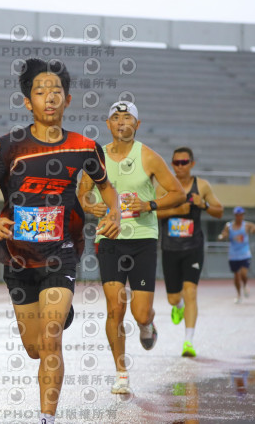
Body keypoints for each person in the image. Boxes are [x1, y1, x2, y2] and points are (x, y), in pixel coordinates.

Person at [0, 58, 121, 424]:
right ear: (28, 102)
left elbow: (107, 187)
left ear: (67, 100)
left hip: (60, 254)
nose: (49, 98)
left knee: (51, 336)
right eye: (40, 92)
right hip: (18, 259)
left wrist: (114, 212)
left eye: (56, 91)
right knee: (35, 348)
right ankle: (59, 314)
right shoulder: (9, 146)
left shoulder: (84, 147)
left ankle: (46, 418)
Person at [77, 101, 185, 394]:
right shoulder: (96, 157)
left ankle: (148, 325)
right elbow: (83, 193)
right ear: (108, 124)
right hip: (109, 238)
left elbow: (178, 194)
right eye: (116, 117)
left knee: (140, 313)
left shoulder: (148, 156)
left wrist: (149, 204)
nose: (121, 122)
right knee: (115, 308)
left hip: (142, 240)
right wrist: (91, 205)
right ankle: (121, 372)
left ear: (137, 124)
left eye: (127, 117)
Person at [156, 147, 223, 357]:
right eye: (176, 163)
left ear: (192, 164)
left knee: (191, 292)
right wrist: (177, 210)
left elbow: (219, 211)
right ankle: (178, 306)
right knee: (173, 298)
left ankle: (188, 342)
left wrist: (203, 204)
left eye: (184, 162)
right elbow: (153, 212)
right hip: (170, 248)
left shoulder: (202, 186)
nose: (180, 166)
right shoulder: (164, 186)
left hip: (193, 247)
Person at [218, 206, 255, 303]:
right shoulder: (229, 226)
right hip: (233, 255)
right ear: (235, 215)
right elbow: (223, 234)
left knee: (243, 274)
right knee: (236, 275)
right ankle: (238, 295)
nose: (240, 217)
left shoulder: (247, 225)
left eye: (241, 215)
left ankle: (245, 285)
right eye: (238, 215)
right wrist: (222, 237)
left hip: (245, 253)